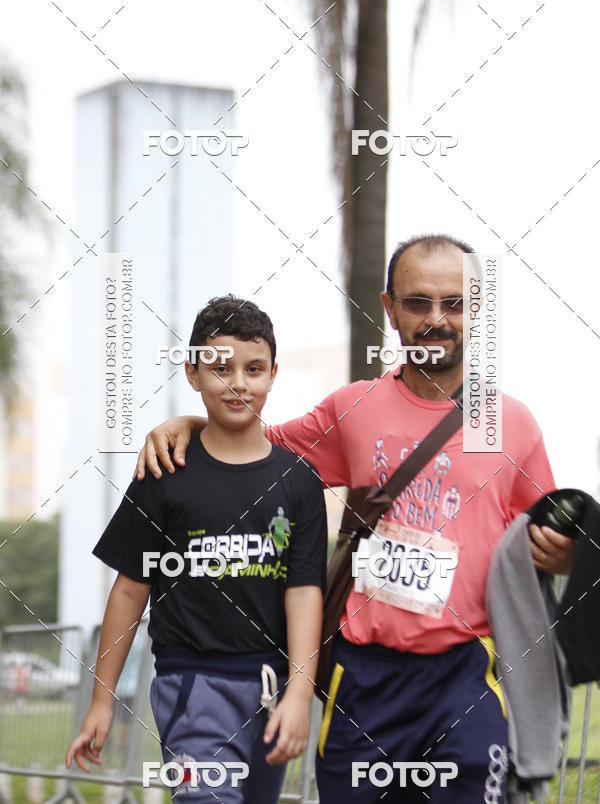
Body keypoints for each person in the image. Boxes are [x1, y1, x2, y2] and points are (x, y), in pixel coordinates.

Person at [135, 236, 573, 803]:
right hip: (363, 680)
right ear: (389, 309)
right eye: (418, 303)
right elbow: (255, 446)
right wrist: (191, 424)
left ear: (478, 309)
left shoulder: (512, 424)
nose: (436, 319)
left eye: (454, 303)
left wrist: (564, 552)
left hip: (466, 676)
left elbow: (555, 530)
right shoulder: (353, 408)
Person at [66, 296, 327, 803]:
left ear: (274, 373)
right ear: (191, 373)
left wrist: (298, 693)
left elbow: (304, 594)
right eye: (220, 368)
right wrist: (101, 700)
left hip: (270, 691)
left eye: (254, 369)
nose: (238, 382)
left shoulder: (299, 482)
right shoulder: (164, 475)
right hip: (192, 685)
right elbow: (128, 592)